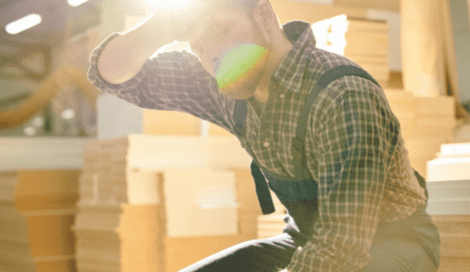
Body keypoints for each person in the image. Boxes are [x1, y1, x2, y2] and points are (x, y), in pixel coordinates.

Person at [88, 0, 440, 271]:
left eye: (220, 30)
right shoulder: (225, 80)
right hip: (304, 239)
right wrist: (164, 27)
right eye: (196, 42)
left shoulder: (341, 96)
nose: (211, 52)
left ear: (263, 15)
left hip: (394, 243)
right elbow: (113, 74)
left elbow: (341, 247)